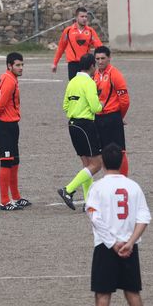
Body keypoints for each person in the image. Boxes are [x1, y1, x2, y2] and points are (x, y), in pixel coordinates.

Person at [83, 143, 151, 306]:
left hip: (106, 248)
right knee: (133, 294)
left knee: (103, 295)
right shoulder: (134, 187)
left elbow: (94, 216)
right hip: (130, 249)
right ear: (122, 162)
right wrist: (130, 242)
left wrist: (113, 243)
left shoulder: (97, 187)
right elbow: (144, 218)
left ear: (102, 162)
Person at [0, 52, 30, 211]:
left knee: (14, 161)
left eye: (22, 65)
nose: (21, 68)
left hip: (12, 125)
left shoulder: (9, 78)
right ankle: (4, 201)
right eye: (17, 65)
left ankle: (16, 197)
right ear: (9, 66)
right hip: (4, 125)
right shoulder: (9, 81)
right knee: (6, 161)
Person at [57, 53, 102, 210]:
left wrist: (75, 109)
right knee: (96, 164)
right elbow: (95, 107)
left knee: (87, 165)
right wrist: (101, 105)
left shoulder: (72, 82)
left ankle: (88, 201)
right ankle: (68, 190)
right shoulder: (89, 82)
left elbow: (65, 106)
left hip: (73, 125)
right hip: (85, 125)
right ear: (92, 66)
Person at [94, 46, 130, 176]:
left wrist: (120, 117)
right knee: (103, 152)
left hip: (112, 117)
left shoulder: (115, 74)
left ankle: (124, 179)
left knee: (120, 151)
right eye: (97, 58)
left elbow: (125, 100)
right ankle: (109, 179)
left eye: (103, 58)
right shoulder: (95, 75)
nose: (100, 61)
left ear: (109, 58)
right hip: (98, 118)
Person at [51, 7, 102, 80]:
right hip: (73, 65)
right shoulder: (68, 31)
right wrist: (55, 63)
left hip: (86, 64)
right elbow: (61, 48)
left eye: (86, 17)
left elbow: (99, 47)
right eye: (82, 16)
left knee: (86, 85)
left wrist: (100, 62)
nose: (84, 19)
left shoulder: (90, 31)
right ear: (76, 18)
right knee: (74, 85)